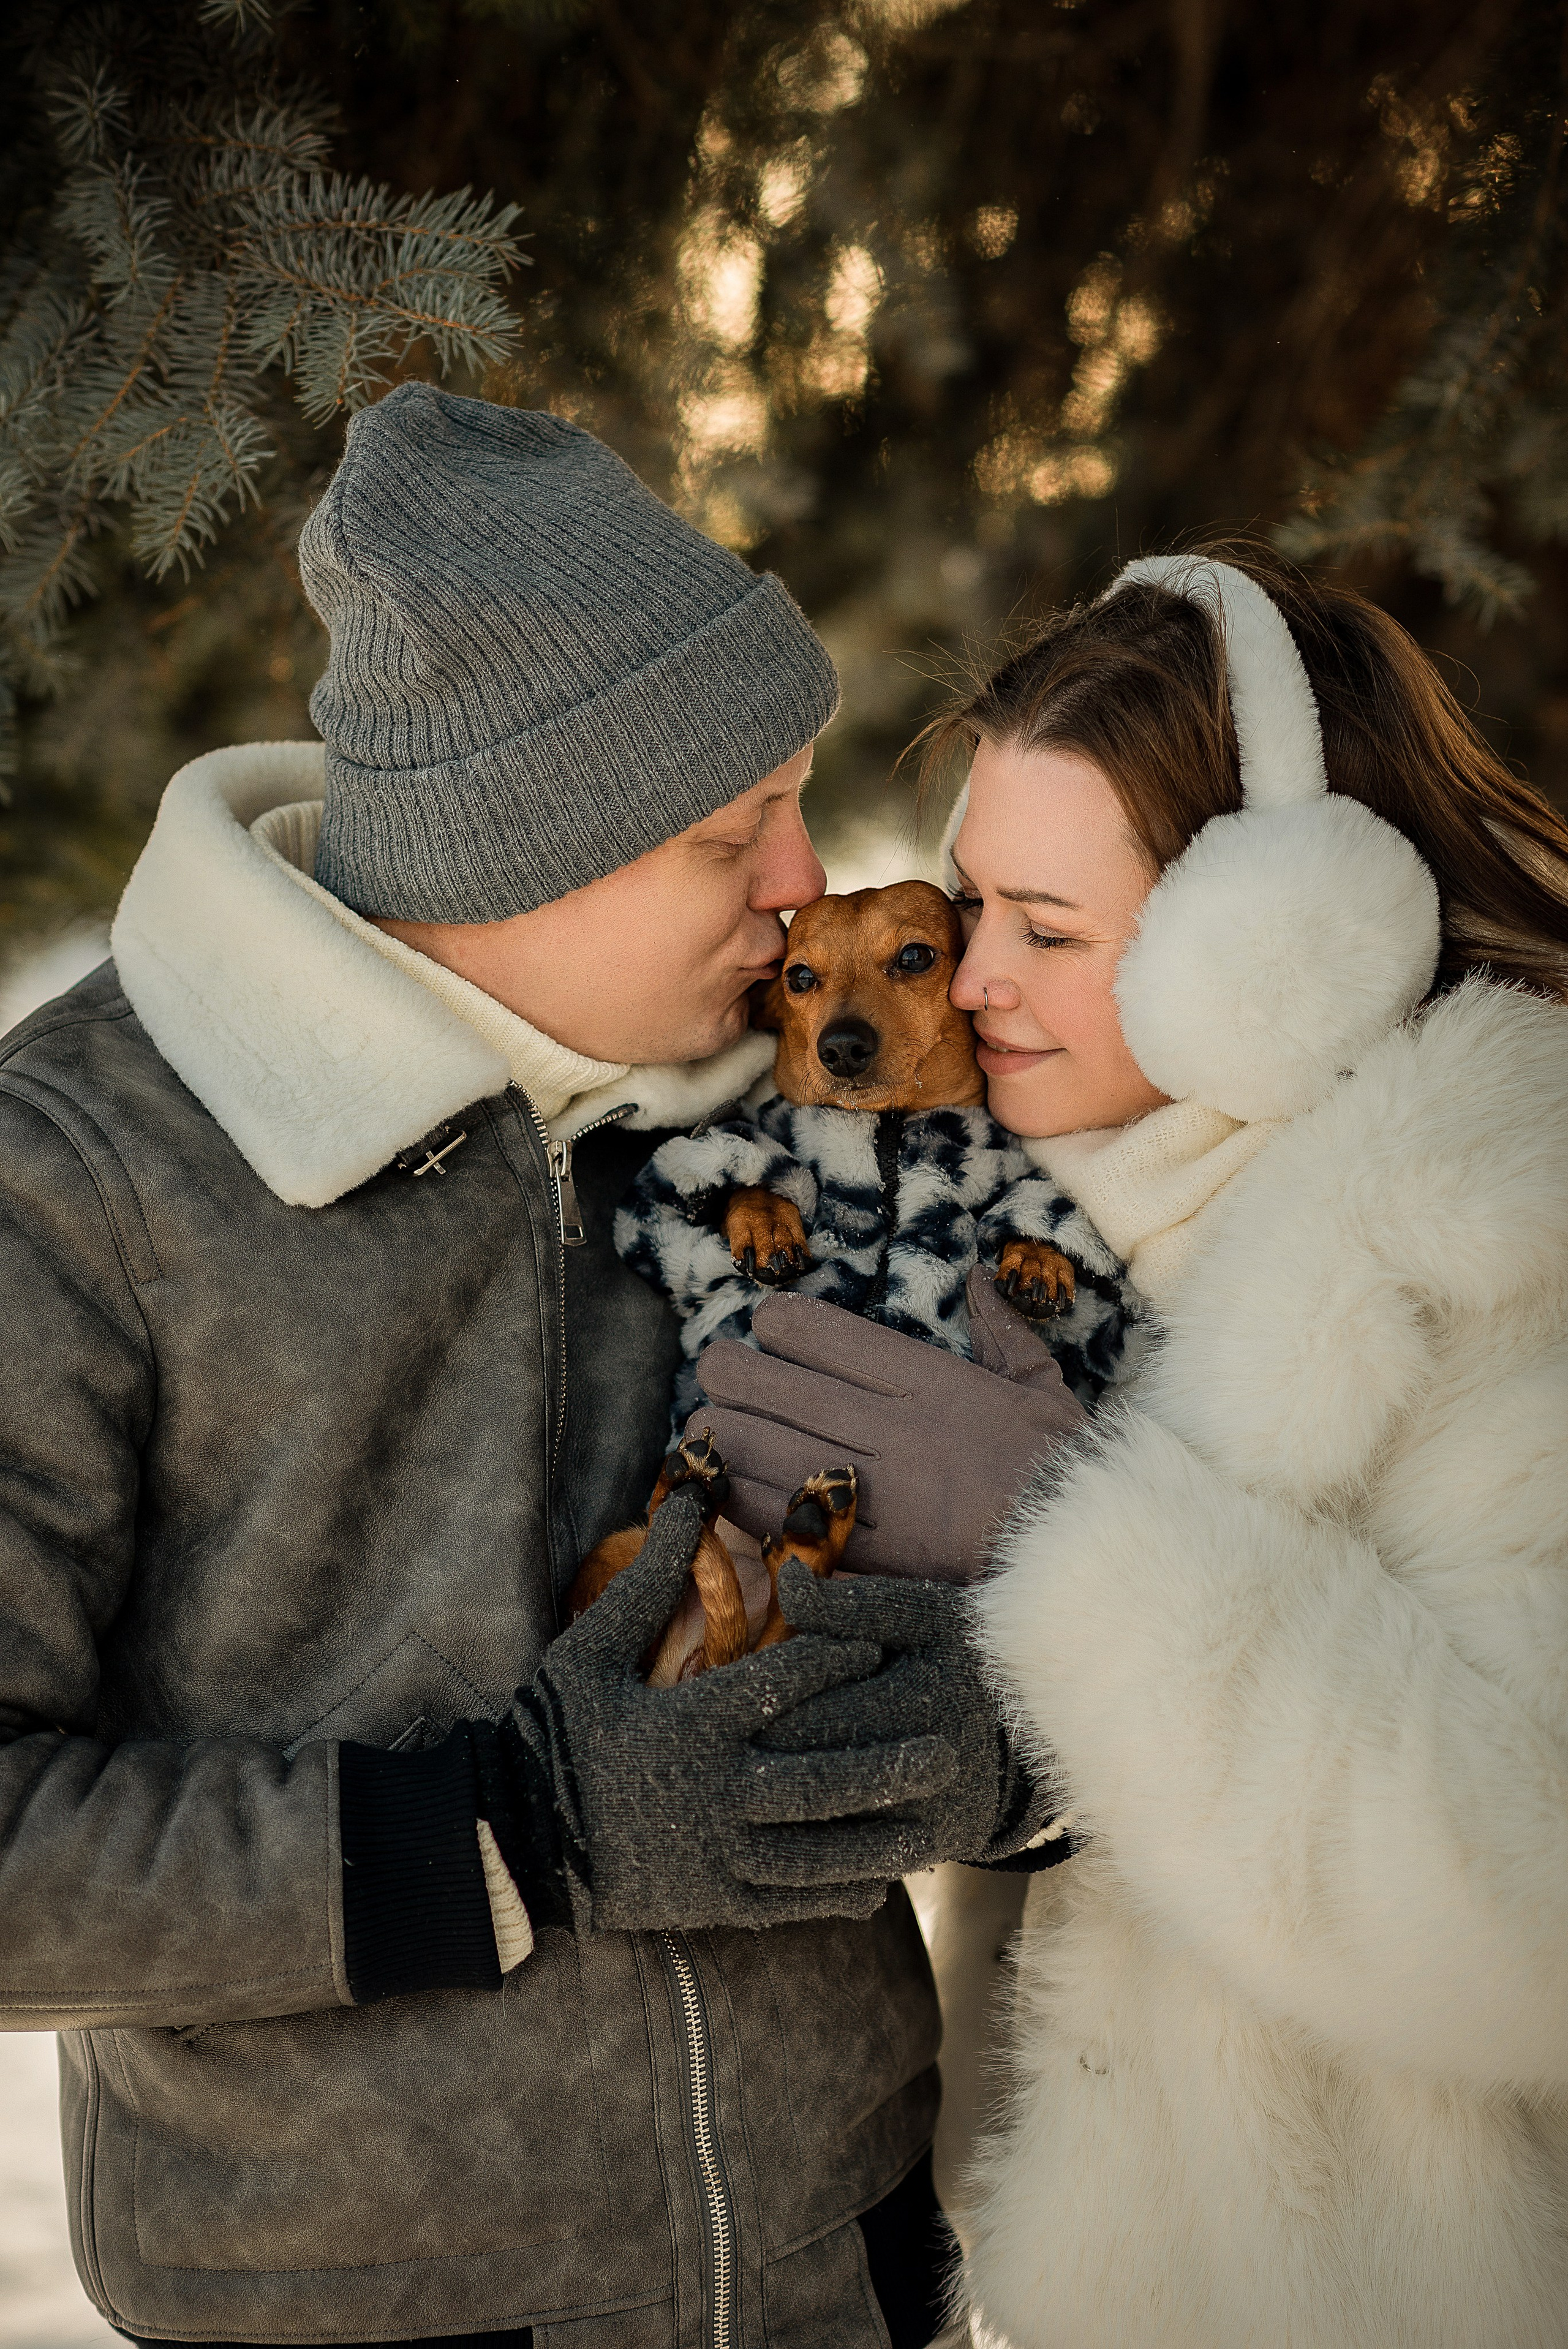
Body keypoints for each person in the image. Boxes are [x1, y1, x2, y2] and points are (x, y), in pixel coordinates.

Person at [0, 386, 1070, 2349]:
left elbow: (1077, 1495)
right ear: (516, 849)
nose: (801, 884)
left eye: (803, 799)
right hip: (364, 2309)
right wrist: (508, 1830)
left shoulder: (813, 1084)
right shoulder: (80, 1177)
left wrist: (1018, 1739)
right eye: (732, 830)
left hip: (856, 2275)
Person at [699, 546, 1568, 2345]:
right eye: (971, 905)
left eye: (1054, 927)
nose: (978, 979)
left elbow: (1531, 1905)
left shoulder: (1505, 1247)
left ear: (1269, 955)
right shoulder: (1078, 1236)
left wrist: (1068, 1517)